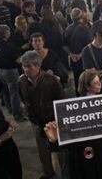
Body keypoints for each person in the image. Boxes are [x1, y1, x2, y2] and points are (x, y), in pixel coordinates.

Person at [43, 70, 102, 179]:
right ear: (87, 86)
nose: (100, 85)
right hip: (80, 163)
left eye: (99, 81)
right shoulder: (69, 109)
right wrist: (54, 140)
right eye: (96, 83)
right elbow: (62, 145)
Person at [18, 51, 69, 179]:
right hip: (36, 122)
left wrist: (59, 123)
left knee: (60, 151)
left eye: (28, 66)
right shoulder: (22, 81)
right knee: (43, 151)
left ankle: (66, 174)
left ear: (38, 65)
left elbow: (62, 103)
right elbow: (23, 99)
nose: (25, 69)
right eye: (23, 66)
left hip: (54, 122)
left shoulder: (52, 81)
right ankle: (48, 173)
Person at [0, 25, 25, 122]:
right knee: (14, 94)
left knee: (5, 91)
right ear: (5, 34)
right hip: (10, 71)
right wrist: (25, 57)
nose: (10, 32)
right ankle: (18, 115)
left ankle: (10, 109)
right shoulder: (7, 46)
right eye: (8, 31)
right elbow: (18, 60)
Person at [63, 8, 92, 93]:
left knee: (77, 79)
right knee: (86, 78)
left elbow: (64, 45)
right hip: (85, 58)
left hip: (73, 59)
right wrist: (81, 54)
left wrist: (71, 54)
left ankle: (78, 96)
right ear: (81, 16)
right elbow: (90, 44)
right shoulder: (85, 28)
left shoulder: (67, 29)